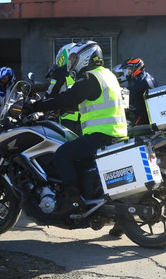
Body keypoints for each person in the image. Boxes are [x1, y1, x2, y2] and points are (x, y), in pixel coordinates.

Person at [27, 40, 127, 216]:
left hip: (100, 135)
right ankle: (113, 214)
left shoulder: (90, 78)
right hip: (116, 133)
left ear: (85, 58)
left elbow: (67, 98)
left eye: (74, 58)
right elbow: (84, 102)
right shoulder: (107, 75)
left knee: (61, 155)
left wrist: (35, 106)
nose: (71, 63)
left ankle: (72, 200)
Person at [45, 43, 82, 135]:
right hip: (76, 119)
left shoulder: (62, 73)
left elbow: (49, 94)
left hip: (74, 119)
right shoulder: (65, 74)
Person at [123, 57, 158, 126]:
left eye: (129, 69)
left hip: (143, 116)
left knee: (129, 129)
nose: (128, 72)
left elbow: (129, 98)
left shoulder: (138, 81)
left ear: (136, 69)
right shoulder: (147, 76)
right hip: (151, 113)